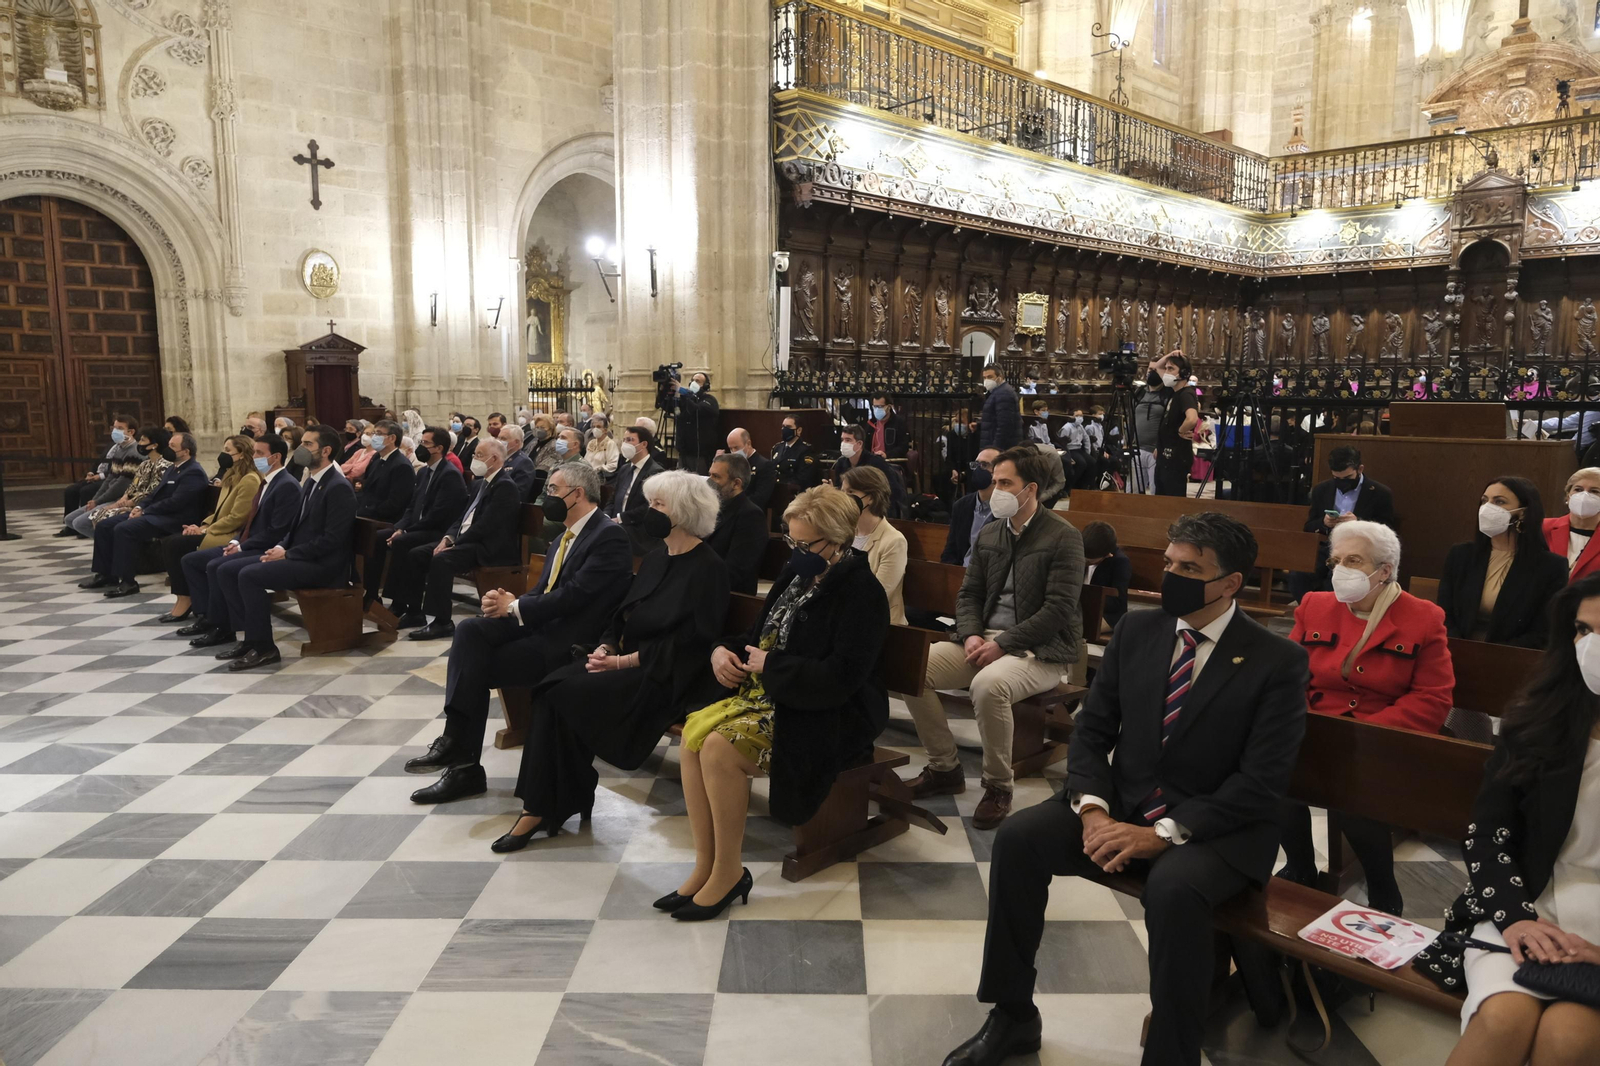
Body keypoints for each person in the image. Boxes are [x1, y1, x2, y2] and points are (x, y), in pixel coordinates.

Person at [942, 512, 1309, 1066]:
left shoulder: (1276, 660)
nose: (1172, 576)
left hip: (1219, 826)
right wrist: (1093, 810)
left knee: (1174, 889)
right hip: (1126, 804)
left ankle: (1170, 1055)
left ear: (1231, 582)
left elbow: (1262, 782)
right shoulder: (1140, 631)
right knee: (1019, 839)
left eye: (1191, 569)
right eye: (1170, 563)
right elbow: (1092, 731)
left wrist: (1162, 834)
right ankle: (1013, 1015)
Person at [665, 486, 889, 919]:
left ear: (837, 538)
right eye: (791, 541)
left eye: (805, 544)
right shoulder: (798, 574)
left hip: (831, 710)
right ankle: (705, 865)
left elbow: (843, 677)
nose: (796, 552)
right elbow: (757, 637)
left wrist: (774, 666)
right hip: (776, 693)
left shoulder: (861, 591)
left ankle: (729, 872)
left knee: (719, 748)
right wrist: (721, 651)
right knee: (694, 735)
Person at [1412, 574, 1600, 1065]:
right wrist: (1516, 918)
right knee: (1502, 1020)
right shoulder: (1539, 720)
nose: (1592, 647)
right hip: (1527, 903)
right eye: (1583, 630)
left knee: (1567, 1039)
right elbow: (1487, 834)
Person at [490, 471, 730, 852]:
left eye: (659, 505)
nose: (649, 511)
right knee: (550, 689)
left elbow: (689, 646)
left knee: (562, 694)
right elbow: (621, 615)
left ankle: (547, 805)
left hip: (663, 676)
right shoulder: (657, 558)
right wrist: (606, 647)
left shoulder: (708, 568)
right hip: (628, 664)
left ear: (684, 513)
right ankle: (551, 801)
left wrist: (622, 662)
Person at [407, 462, 635, 804]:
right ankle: (455, 743)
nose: (547, 496)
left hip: (569, 642)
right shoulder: (564, 536)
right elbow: (543, 591)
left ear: (577, 494)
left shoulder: (609, 536)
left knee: (475, 666)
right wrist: (507, 602)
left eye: (553, 490)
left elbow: (575, 596)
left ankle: (464, 766)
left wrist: (515, 607)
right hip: (542, 627)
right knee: (470, 630)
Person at [901, 445, 1085, 828]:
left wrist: (1003, 643)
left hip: (1040, 650)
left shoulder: (1063, 536)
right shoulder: (990, 533)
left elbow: (1058, 609)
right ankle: (944, 767)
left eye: (1005, 483)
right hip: (985, 640)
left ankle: (998, 785)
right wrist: (970, 634)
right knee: (912, 666)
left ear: (1030, 489)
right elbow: (969, 594)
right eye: (995, 481)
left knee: (988, 686)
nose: (995, 489)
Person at [1277, 520, 1454, 917]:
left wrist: (1366, 735)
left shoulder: (1423, 617)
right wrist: (1300, 721)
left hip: (1379, 736)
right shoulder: (1314, 605)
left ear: (1384, 570)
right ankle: (1300, 868)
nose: (1340, 569)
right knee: (1270, 773)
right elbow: (1288, 674)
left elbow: (1433, 696)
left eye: (1353, 561)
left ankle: (1382, 889)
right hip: (1312, 726)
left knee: (1353, 794)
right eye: (1336, 560)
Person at [202, 426, 354, 670]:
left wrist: (288, 553)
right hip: (302, 557)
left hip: (323, 565)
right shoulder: (312, 481)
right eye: (302, 443)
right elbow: (294, 529)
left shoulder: (337, 487)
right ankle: (250, 639)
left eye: (308, 444)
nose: (301, 449)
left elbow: (332, 540)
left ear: (326, 451)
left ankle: (264, 647)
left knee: (249, 575)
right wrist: (280, 547)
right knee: (228, 570)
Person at [179, 434, 315, 649]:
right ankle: (213, 620)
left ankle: (228, 627)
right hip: (249, 543)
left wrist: (242, 546)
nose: (254, 457)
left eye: (260, 453)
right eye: (254, 452)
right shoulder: (266, 481)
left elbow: (276, 531)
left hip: (264, 547)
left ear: (276, 457)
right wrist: (235, 542)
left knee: (220, 567)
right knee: (193, 560)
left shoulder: (286, 485)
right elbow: (249, 521)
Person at [401, 437, 524, 640]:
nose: (474, 459)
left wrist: (456, 543)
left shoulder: (505, 486)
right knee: (417, 554)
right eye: (475, 454)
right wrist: (448, 538)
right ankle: (414, 612)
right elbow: (462, 517)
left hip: (488, 547)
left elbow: (486, 526)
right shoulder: (479, 484)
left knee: (442, 559)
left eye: (479, 455)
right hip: (468, 541)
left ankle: (442, 622)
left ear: (494, 459)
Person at [1439, 476, 1568, 648]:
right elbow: (1443, 613)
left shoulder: (1550, 566)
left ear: (1523, 512)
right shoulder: (1461, 555)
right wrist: (1461, 647)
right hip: (1455, 650)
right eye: (1484, 500)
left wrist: (1493, 654)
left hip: (1512, 656)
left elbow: (1543, 631)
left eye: (1499, 501)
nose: (1487, 508)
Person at [81, 431, 210, 598]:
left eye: (173, 446)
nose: (168, 449)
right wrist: (140, 506)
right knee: (105, 525)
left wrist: (145, 511)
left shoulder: (193, 471)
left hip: (175, 518)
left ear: (186, 451)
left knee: (124, 529)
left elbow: (176, 502)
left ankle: (128, 582)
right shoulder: (173, 468)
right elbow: (155, 494)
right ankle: (105, 574)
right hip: (158, 514)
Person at [156, 434, 261, 623]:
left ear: (242, 454)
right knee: (171, 541)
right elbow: (220, 511)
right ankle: (185, 597)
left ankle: (188, 599)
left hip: (231, 534)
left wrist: (206, 531)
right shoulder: (232, 475)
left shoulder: (250, 479)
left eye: (228, 450)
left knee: (176, 545)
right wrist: (202, 525)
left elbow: (238, 518)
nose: (223, 454)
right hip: (218, 528)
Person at [364, 426, 467, 616]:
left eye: (425, 443)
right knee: (377, 538)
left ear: (439, 448)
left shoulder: (449, 474)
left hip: (437, 530)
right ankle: (371, 594)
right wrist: (400, 527)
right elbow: (411, 507)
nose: (421, 447)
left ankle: (400, 603)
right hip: (417, 527)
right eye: (421, 442)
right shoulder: (423, 472)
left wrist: (405, 531)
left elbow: (438, 515)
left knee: (402, 542)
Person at [1291, 445, 1399, 601]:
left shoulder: (1380, 493)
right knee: (1298, 575)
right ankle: (1310, 610)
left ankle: (1336, 612)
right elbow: (1309, 526)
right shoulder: (1321, 490)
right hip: (1327, 546)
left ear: (1360, 469)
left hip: (1360, 550)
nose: (1342, 482)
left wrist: (1358, 523)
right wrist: (1324, 523)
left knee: (1335, 579)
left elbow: (1387, 529)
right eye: (1337, 478)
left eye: (1347, 478)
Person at [842, 465, 907, 625]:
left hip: (878, 623)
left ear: (871, 497)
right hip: (844, 617)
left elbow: (877, 595)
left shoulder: (894, 541)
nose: (844, 498)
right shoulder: (843, 533)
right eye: (842, 492)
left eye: (851, 492)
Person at [59, 416, 142, 537]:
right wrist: (95, 500)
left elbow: (122, 484)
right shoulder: (119, 449)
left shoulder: (134, 453)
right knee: (69, 519)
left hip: (120, 499)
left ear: (131, 432)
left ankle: (110, 543)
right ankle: (108, 541)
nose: (115, 431)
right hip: (109, 496)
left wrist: (99, 501)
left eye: (120, 428)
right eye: (114, 428)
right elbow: (110, 478)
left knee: (80, 523)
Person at [706, 452, 768, 595]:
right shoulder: (712, 508)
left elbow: (736, 570)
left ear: (736, 483)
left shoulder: (751, 516)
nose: (710, 482)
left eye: (716, 477)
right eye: (710, 475)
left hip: (729, 594)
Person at [606, 425, 666, 556]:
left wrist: (620, 518)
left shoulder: (655, 471)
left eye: (630, 440)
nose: (625, 444)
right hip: (616, 523)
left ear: (643, 444)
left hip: (637, 528)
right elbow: (613, 497)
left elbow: (648, 507)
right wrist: (606, 515)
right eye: (624, 440)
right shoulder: (625, 469)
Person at [1148, 351, 1199, 497]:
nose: (1166, 372)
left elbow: (1192, 418)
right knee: (1161, 495)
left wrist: (1181, 431)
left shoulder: (1186, 394)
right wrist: (1171, 354)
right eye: (1167, 368)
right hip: (1165, 454)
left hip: (1176, 457)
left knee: (1172, 497)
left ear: (1183, 373)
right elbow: (1157, 367)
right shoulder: (1174, 391)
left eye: (1171, 369)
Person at [941, 448, 1001, 566]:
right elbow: (950, 550)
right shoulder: (961, 506)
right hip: (962, 571)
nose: (978, 470)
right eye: (976, 465)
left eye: (984, 465)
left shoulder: (1007, 508)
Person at [831, 424, 906, 516]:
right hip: (851, 509)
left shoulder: (876, 463)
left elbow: (893, 492)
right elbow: (840, 490)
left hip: (876, 510)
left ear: (859, 444)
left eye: (848, 440)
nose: (843, 444)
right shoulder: (840, 463)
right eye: (842, 440)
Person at [1544, 467, 1600, 582]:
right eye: (1578, 489)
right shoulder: (1543, 527)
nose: (1584, 495)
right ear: (1568, 496)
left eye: (1594, 491)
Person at [354, 419, 416, 522]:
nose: (374, 437)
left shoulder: (402, 466)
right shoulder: (377, 458)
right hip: (366, 513)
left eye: (378, 433)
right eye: (374, 433)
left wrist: (366, 512)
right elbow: (367, 487)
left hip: (383, 520)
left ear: (392, 438)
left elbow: (395, 503)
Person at [1081, 520, 1131, 631]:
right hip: (1081, 608)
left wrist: (1086, 598)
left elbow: (1117, 602)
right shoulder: (1081, 552)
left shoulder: (1120, 562)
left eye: (1089, 560)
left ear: (1108, 555)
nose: (1085, 561)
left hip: (1107, 614)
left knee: (1081, 628)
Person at [676, 371, 720, 474]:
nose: (693, 383)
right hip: (683, 452)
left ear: (705, 385)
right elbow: (666, 407)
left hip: (700, 454)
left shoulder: (709, 400)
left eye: (698, 381)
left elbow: (696, 409)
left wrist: (683, 392)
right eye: (692, 380)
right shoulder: (686, 400)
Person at [724, 428, 776, 510]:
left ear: (748, 443)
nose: (733, 452)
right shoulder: (733, 465)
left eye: (736, 448)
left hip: (751, 511)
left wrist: (735, 505)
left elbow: (760, 497)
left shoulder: (764, 465)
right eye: (731, 448)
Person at [771, 414, 821, 491]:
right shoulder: (777, 448)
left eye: (788, 427)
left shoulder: (806, 451)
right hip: (776, 490)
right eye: (783, 426)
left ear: (799, 430)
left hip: (794, 492)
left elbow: (803, 479)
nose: (784, 429)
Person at [979, 364, 1021, 451]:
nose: (986, 380)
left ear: (999, 377)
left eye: (990, 377)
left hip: (1001, 447)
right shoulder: (997, 392)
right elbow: (994, 419)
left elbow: (1005, 425)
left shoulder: (1004, 393)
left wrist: (995, 448)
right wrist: (979, 425)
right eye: (984, 378)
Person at [496, 424, 537, 501]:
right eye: (499, 438)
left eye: (503, 439)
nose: (499, 442)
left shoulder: (524, 463)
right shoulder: (499, 459)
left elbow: (518, 493)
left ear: (517, 442)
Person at [867, 393, 909, 459]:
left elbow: (903, 447)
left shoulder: (899, 422)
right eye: (875, 407)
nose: (877, 409)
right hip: (872, 460)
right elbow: (865, 446)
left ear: (889, 407)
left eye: (880, 406)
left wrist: (886, 455)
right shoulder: (871, 423)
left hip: (890, 461)